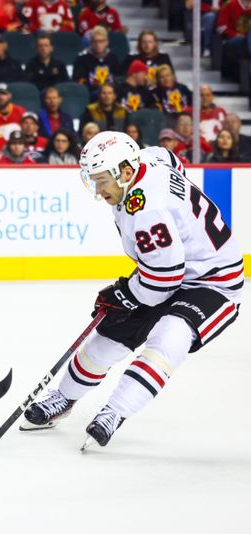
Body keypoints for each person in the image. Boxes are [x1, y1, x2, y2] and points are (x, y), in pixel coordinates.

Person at [23, 131, 243, 449]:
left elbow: (162, 281)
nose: (98, 191)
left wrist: (124, 294)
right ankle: (64, 397)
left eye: (102, 181)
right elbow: (170, 159)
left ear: (126, 171)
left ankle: (114, 412)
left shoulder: (147, 211)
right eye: (93, 180)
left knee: (171, 334)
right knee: (110, 333)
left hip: (213, 282)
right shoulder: (147, 159)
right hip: (169, 269)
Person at [72, 26, 121, 98]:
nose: (98, 44)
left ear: (107, 42)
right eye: (95, 41)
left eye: (101, 41)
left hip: (110, 95)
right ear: (91, 42)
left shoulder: (113, 58)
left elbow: (118, 79)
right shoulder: (82, 59)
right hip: (90, 95)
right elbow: (78, 82)